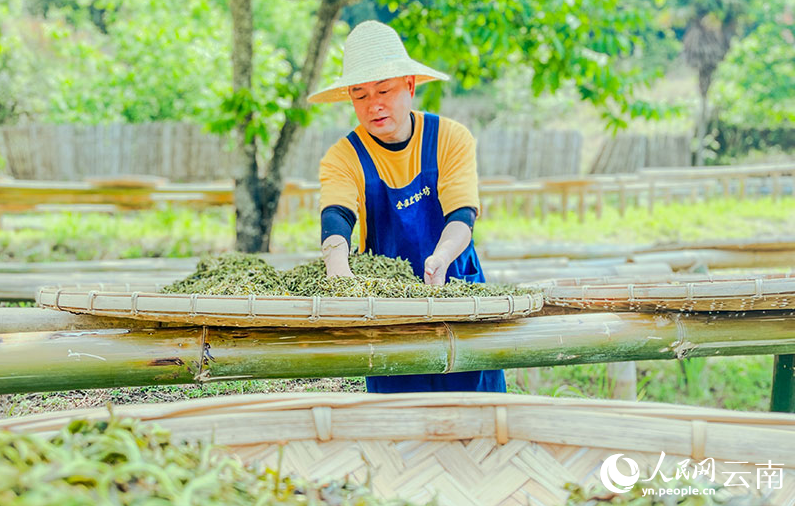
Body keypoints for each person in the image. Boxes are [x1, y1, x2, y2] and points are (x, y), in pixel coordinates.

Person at [308, 20, 505, 394]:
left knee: (476, 415)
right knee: (399, 420)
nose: (373, 105)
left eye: (384, 90)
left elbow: (463, 215)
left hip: (456, 294)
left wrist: (442, 256)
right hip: (386, 308)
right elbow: (336, 215)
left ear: (410, 86)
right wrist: (338, 270)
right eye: (360, 94)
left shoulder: (450, 138)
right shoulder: (342, 157)